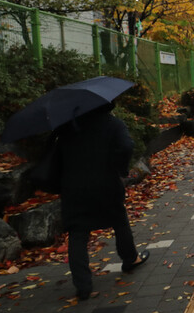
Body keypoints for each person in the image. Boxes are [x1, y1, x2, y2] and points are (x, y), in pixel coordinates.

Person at [54, 103, 148, 301]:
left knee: (78, 233)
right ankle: (130, 258)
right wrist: (121, 169)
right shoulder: (112, 124)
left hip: (73, 185)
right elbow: (126, 146)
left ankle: (83, 286)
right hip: (105, 182)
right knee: (118, 218)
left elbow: (56, 155)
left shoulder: (68, 126)